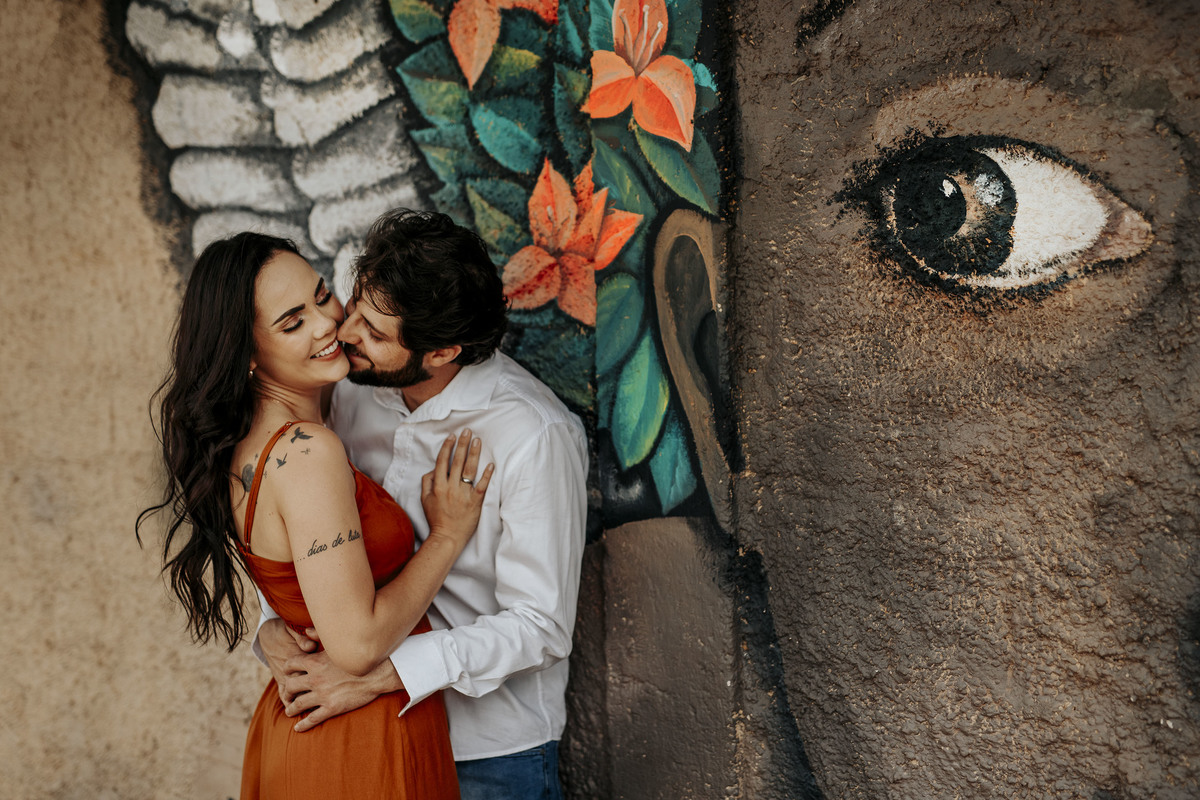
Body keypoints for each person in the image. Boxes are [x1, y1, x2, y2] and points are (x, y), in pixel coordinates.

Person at [138, 232, 493, 799]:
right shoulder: (307, 451)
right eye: (291, 322)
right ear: (249, 353)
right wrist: (446, 538)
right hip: (355, 744)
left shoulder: (257, 442)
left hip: (318, 728)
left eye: (322, 294)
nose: (328, 324)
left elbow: (299, 585)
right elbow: (356, 645)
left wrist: (272, 628)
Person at [254, 209, 589, 800]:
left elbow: (541, 627)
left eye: (377, 334)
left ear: (442, 352)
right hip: (367, 736)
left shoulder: (533, 434)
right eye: (355, 306)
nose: (347, 333)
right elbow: (301, 525)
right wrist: (270, 627)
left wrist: (387, 673)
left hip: (488, 756)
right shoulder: (352, 392)